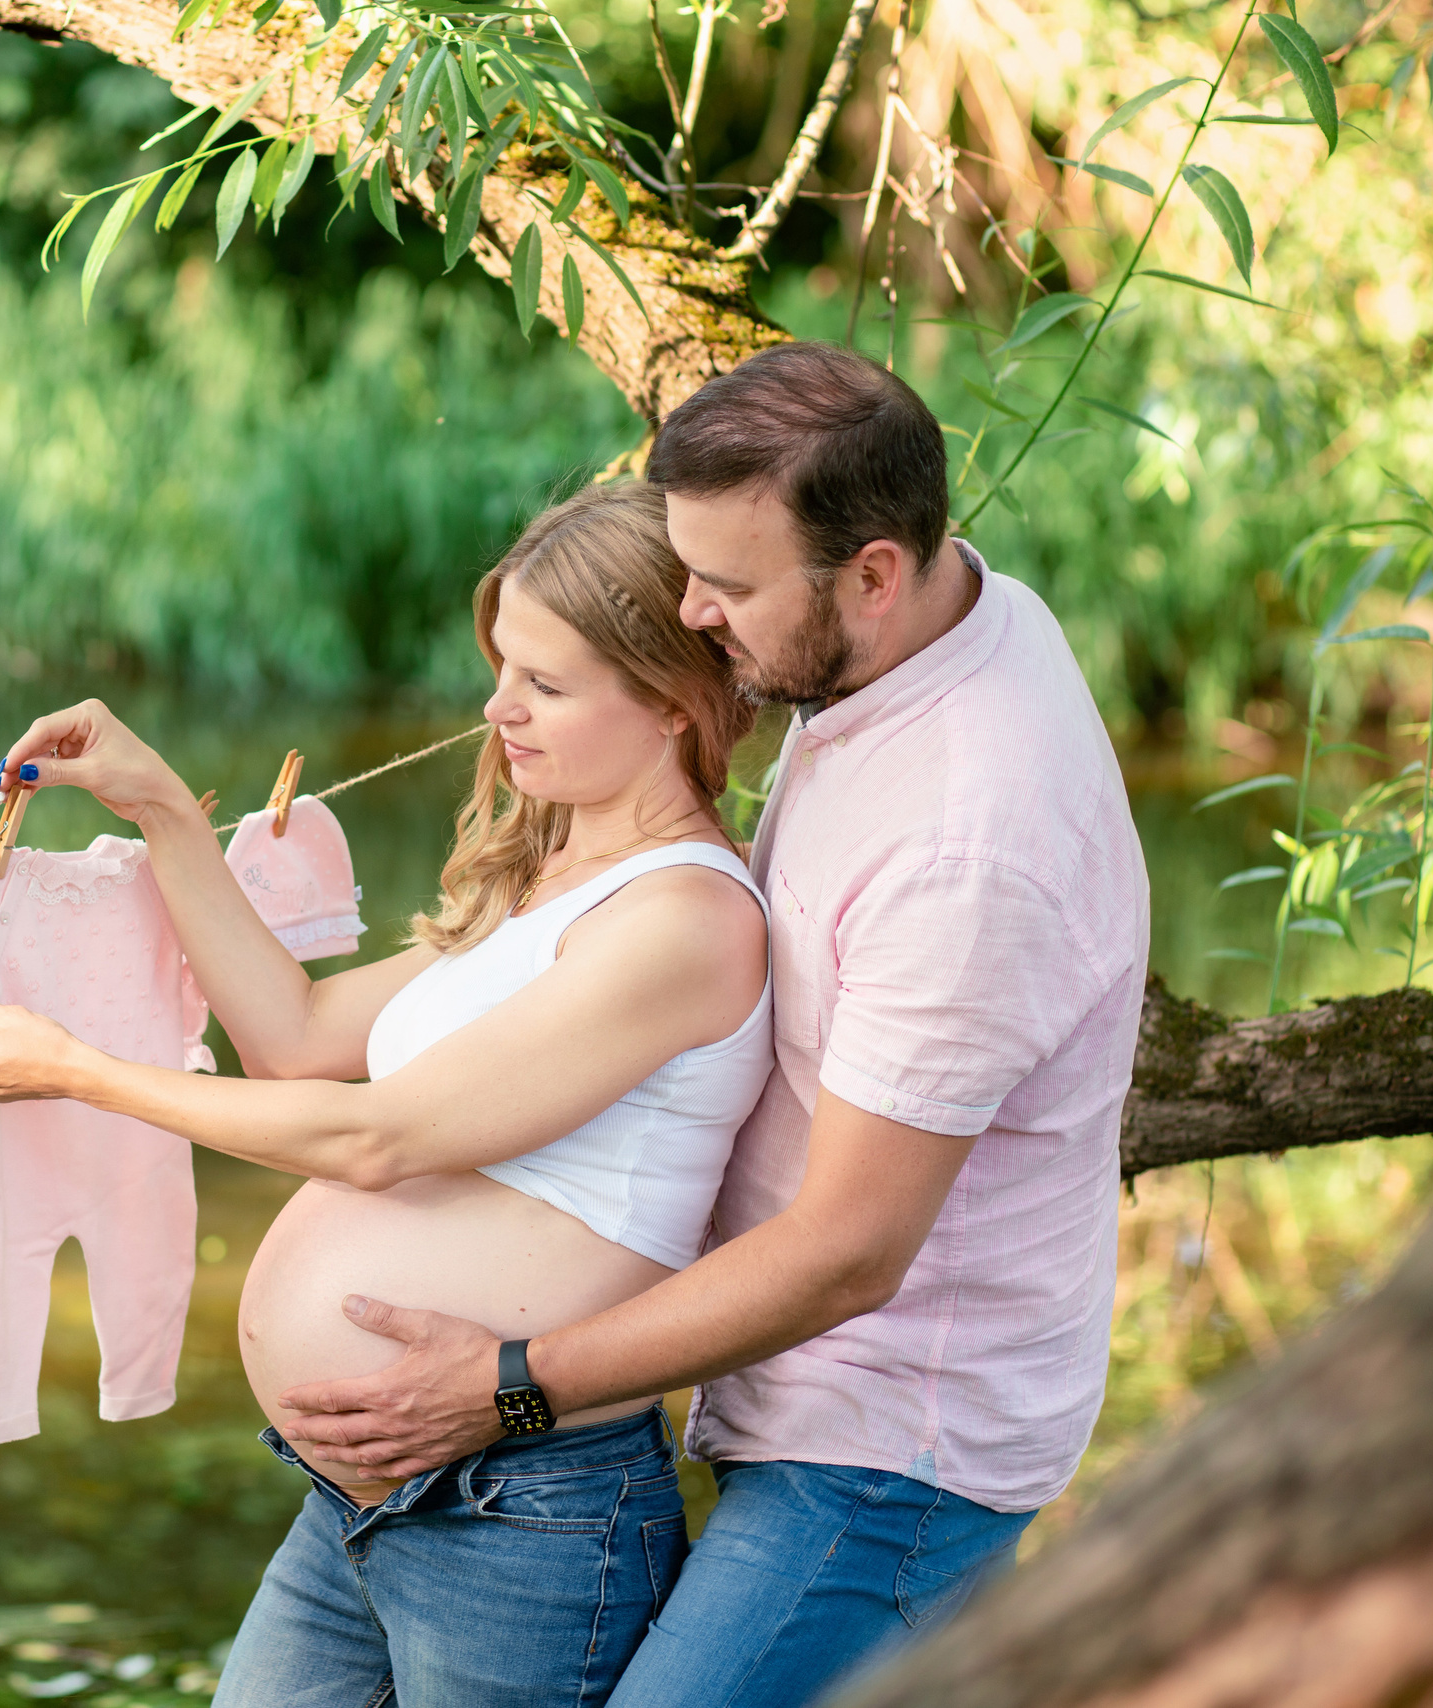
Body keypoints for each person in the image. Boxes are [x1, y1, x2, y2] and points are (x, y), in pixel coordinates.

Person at [266, 343, 1153, 1707]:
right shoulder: (927, 628)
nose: (693, 612)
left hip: (887, 1450)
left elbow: (849, 1254)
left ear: (873, 573)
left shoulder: (971, 842)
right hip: (770, 1388)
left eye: (727, 589)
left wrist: (510, 1384)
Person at [0, 483, 772, 1707]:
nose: (496, 707)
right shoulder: (561, 876)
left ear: (667, 699)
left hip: (516, 1509)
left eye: (544, 682)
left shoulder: (682, 919)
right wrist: (159, 802)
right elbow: (297, 1034)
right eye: (500, 668)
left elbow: (375, 1137)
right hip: (370, 1492)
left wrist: (79, 1073)